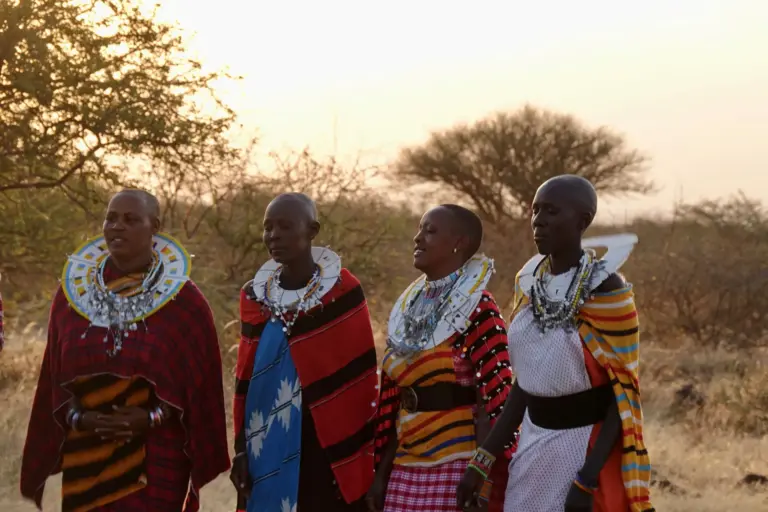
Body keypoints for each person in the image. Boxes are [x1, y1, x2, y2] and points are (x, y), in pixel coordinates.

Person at [20, 189, 230, 512]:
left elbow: (198, 388)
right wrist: (82, 418)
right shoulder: (72, 298)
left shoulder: (185, 304)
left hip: (155, 464)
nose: (117, 226)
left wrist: (151, 417)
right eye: (111, 218)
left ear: (154, 227)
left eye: (131, 220)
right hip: (86, 460)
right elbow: (55, 378)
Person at [456, 175, 654, 512]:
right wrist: (482, 460)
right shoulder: (530, 281)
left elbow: (621, 397)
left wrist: (587, 479)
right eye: (535, 211)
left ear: (583, 221)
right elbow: (526, 384)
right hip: (532, 448)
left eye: (551, 211)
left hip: (583, 451)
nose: (539, 221)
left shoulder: (606, 289)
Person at [230, 193, 378, 512]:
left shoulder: (342, 292)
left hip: (323, 450)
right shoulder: (255, 296)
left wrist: (352, 456)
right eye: (268, 227)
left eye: (285, 226)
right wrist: (241, 449)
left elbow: (356, 383)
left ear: (312, 230)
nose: (274, 235)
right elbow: (245, 381)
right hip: (265, 441)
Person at [367, 205, 515, 512]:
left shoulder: (477, 308)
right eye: (420, 229)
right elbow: (399, 400)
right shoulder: (409, 308)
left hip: (457, 470)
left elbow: (491, 399)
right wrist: (381, 473)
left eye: (430, 231)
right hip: (405, 468)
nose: (417, 238)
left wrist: (481, 477)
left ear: (458, 242)